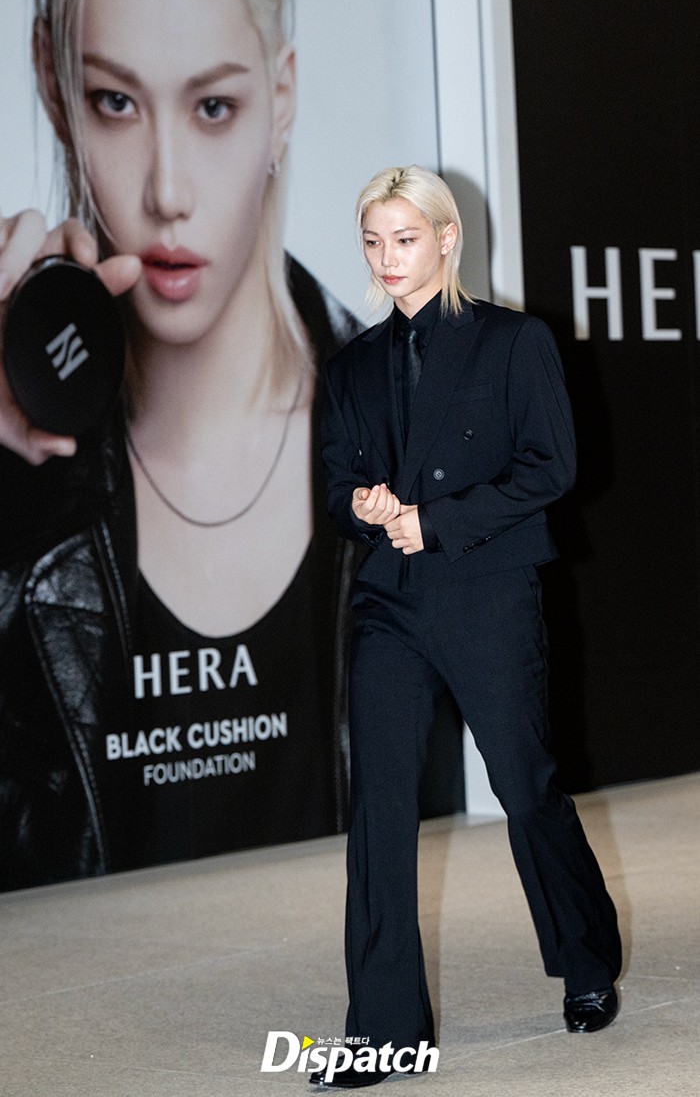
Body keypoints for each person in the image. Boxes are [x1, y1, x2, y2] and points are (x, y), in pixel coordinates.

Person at [0, 0, 362, 890]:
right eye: (116, 102)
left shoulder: (412, 438)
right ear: (52, 84)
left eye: (213, 108)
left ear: (280, 98)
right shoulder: (15, 485)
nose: (167, 190)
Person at [315, 165, 622, 1087]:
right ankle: (385, 1031)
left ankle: (587, 957)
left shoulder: (513, 341)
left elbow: (552, 465)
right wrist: (363, 505)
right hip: (390, 602)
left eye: (405, 239)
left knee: (526, 787)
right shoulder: (351, 364)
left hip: (487, 591)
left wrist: (437, 521)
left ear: (447, 239)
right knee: (378, 809)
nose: (387, 258)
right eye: (374, 241)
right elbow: (333, 485)